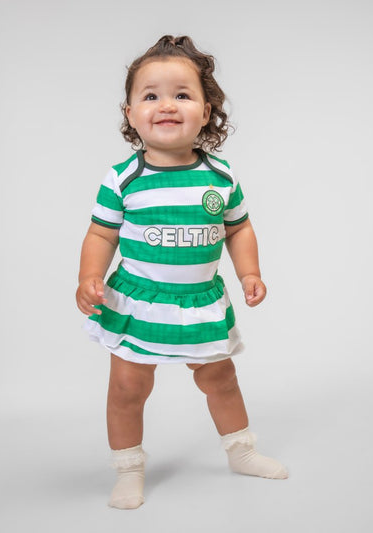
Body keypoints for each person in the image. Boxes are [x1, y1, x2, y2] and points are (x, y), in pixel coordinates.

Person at [76, 35, 288, 510]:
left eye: (183, 94)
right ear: (131, 113)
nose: (167, 105)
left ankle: (241, 452)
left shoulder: (221, 177)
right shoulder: (123, 178)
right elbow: (101, 235)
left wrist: (249, 272)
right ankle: (128, 469)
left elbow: (238, 228)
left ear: (206, 111)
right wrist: (88, 276)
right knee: (128, 388)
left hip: (199, 302)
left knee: (220, 378)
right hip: (138, 302)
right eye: (151, 95)